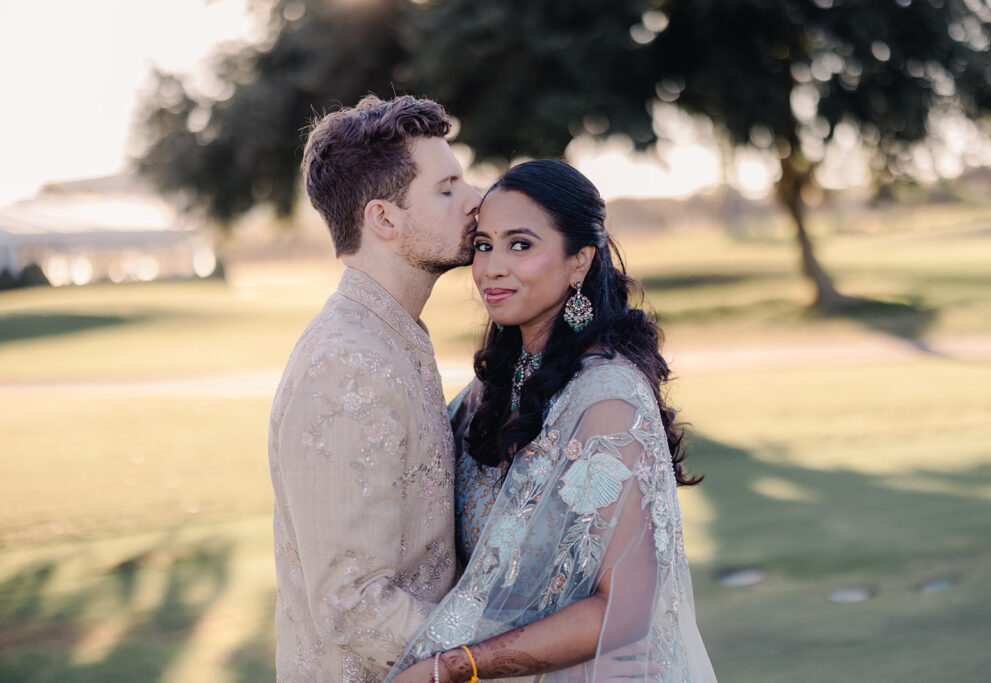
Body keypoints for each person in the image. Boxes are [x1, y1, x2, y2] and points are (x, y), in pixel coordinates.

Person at [387, 160, 716, 682]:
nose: (492, 267)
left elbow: (624, 611)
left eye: (521, 245)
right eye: (484, 245)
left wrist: (455, 667)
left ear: (578, 261)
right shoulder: (492, 388)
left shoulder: (607, 400)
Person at [268, 94, 481, 681]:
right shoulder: (347, 365)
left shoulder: (392, 337)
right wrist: (505, 650)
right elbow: (352, 603)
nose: (476, 201)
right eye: (448, 189)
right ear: (385, 219)